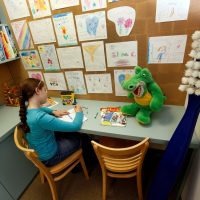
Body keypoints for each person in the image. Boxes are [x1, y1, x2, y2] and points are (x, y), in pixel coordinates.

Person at [19, 78, 83, 167]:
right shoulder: (41, 118)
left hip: (40, 151)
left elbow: (41, 108)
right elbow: (76, 126)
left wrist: (53, 112)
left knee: (64, 134)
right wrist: (79, 111)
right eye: (45, 90)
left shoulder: (27, 109)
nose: (46, 93)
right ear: (37, 91)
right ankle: (78, 167)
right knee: (81, 138)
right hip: (50, 157)